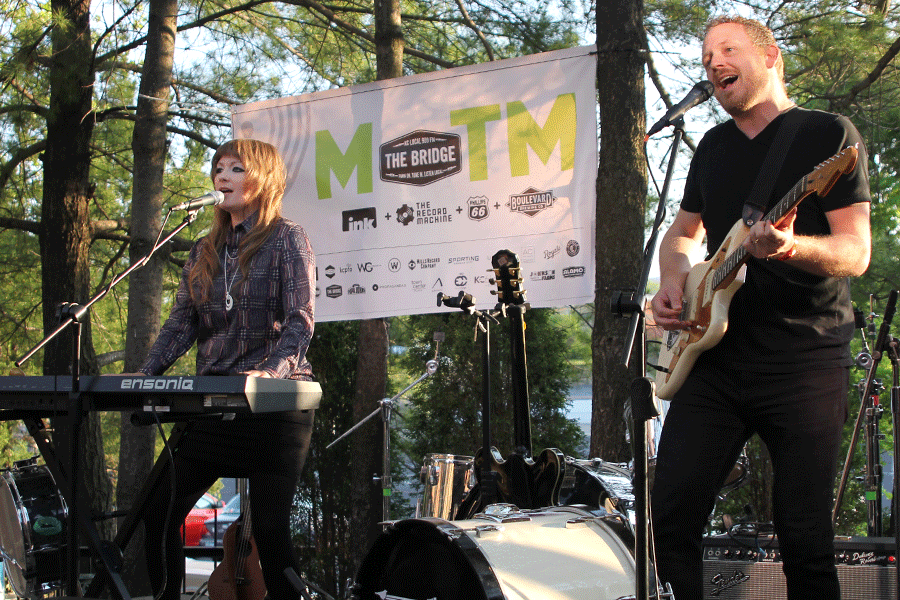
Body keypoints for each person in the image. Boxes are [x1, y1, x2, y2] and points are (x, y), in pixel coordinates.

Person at [650, 15, 871, 600]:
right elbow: (681, 234)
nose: (713, 62)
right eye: (705, 56)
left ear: (771, 58)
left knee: (806, 539)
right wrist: (673, 281)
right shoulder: (713, 147)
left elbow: (856, 252)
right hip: (715, 358)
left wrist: (792, 246)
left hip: (803, 360)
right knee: (669, 518)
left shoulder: (827, 136)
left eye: (728, 49)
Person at [139, 139, 316, 600]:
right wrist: (146, 373)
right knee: (158, 512)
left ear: (264, 179)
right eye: (219, 168)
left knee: (272, 534)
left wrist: (272, 372)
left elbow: (301, 320)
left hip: (273, 408)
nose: (223, 175)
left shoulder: (286, 238)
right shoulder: (205, 249)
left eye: (237, 168)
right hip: (213, 404)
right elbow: (181, 324)